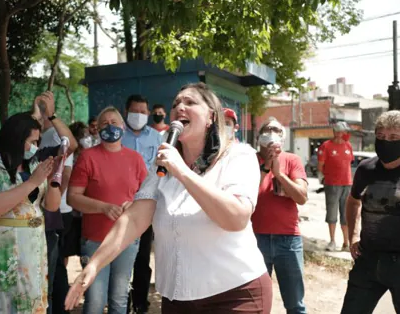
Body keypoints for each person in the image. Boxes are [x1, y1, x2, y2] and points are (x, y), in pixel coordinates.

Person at [66, 83, 272, 313]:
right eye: (175, 104)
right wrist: (94, 265)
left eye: (190, 102)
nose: (179, 107)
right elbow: (133, 220)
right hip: (178, 298)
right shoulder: (162, 166)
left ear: (211, 117)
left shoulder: (238, 156)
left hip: (235, 295)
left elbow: (236, 218)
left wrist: (182, 171)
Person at [0, 111, 60, 314]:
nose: (33, 147)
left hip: (34, 245)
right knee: (1, 304)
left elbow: (51, 206)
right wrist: (33, 182)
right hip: (3, 247)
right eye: (30, 141)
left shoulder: (33, 163)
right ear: (15, 138)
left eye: (36, 141)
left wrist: (53, 179)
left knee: (31, 303)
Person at [67, 106, 148, 314]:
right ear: (96, 129)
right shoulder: (87, 157)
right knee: (94, 299)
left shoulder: (136, 159)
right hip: (94, 240)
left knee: (119, 297)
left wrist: (133, 205)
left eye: (114, 122)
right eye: (104, 123)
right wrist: (102, 207)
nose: (110, 127)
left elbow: (147, 197)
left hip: (126, 240)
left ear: (122, 127)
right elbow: (72, 198)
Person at [341, 110, 400, 313]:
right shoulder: (366, 169)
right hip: (368, 260)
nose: (387, 142)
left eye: (394, 137)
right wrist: (353, 236)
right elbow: (353, 201)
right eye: (381, 136)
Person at [252, 118, 308, 314]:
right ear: (259, 137)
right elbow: (246, 193)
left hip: (288, 240)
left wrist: (281, 175)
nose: (271, 133)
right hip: (255, 238)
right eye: (267, 130)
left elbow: (301, 197)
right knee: (255, 303)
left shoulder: (292, 160)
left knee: (295, 304)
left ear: (283, 137)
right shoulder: (249, 159)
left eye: (276, 130)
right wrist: (266, 165)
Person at [32, 94, 78, 314]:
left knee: (50, 280)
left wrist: (51, 115)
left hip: (49, 223)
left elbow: (71, 146)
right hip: (21, 230)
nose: (32, 143)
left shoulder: (48, 152)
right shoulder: (13, 158)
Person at [121, 94, 163, 314]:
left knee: (142, 256)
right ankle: (120, 300)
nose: (140, 115)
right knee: (119, 253)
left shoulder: (157, 138)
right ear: (126, 111)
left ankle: (139, 302)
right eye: (135, 111)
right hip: (120, 205)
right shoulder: (117, 136)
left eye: (143, 112)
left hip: (146, 204)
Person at [317, 121, 353, 252]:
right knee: (332, 213)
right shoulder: (326, 146)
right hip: (332, 184)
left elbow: (348, 163)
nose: (341, 134)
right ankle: (332, 241)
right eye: (338, 132)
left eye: (343, 132)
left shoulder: (348, 145)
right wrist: (321, 178)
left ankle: (346, 243)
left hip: (347, 184)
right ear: (335, 132)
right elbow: (320, 166)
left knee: (346, 214)